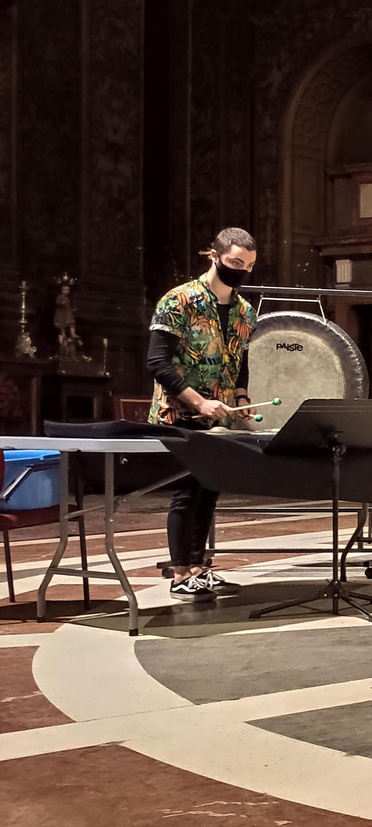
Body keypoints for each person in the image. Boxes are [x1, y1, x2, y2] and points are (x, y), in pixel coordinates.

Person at [147, 228, 258, 602]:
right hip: (179, 413)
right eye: (235, 262)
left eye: (249, 266)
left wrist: (242, 395)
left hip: (218, 416)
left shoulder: (244, 311)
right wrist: (198, 402)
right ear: (215, 256)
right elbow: (158, 363)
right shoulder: (179, 301)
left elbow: (238, 361)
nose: (242, 271)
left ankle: (198, 568)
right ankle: (180, 574)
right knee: (186, 494)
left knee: (208, 491)